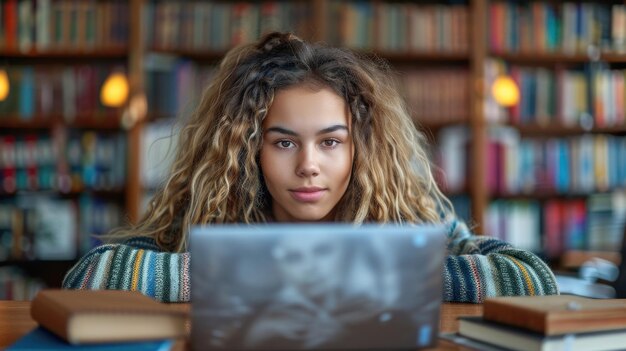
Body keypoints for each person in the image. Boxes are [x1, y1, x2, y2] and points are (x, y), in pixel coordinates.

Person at [63, 32, 559, 304]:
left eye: (330, 142)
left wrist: (367, 277)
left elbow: (532, 277)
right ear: (251, 150)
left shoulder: (409, 212)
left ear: (359, 148)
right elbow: (89, 276)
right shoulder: (211, 210)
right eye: (283, 143)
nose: (308, 166)